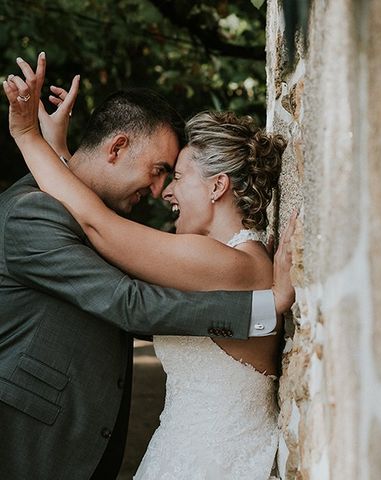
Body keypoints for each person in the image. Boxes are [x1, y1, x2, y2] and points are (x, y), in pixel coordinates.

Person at [1, 53, 297, 479]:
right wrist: (49, 147)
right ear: (117, 146)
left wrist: (36, 141)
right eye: (161, 170)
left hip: (208, 456)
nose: (162, 190)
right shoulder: (31, 214)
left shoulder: (223, 259)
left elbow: (100, 233)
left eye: (174, 176)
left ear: (218, 186)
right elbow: (118, 285)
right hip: (34, 446)